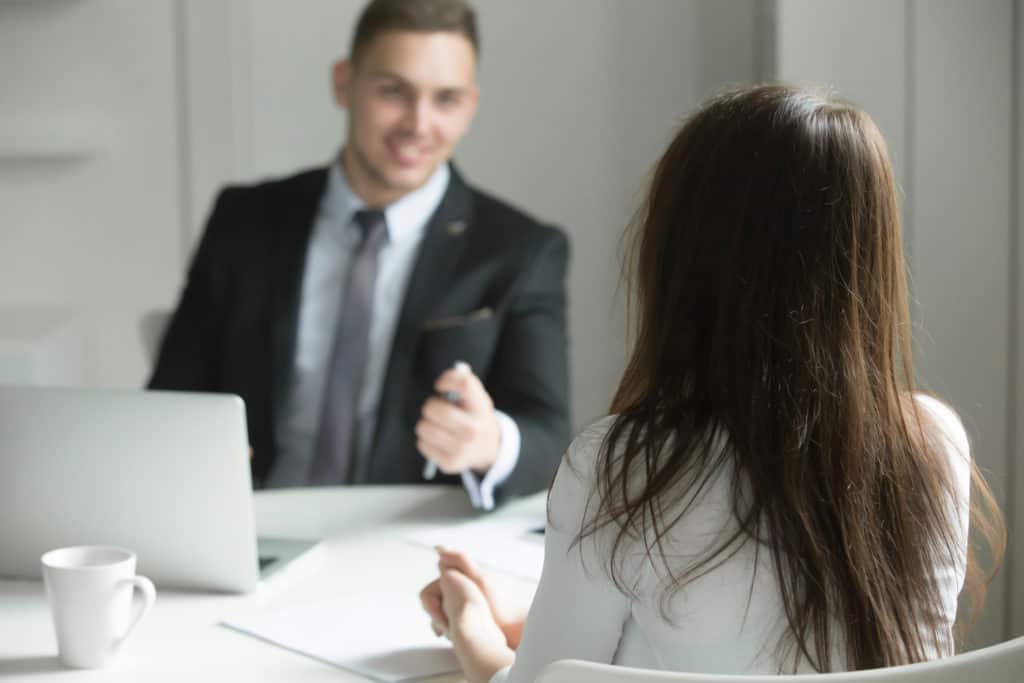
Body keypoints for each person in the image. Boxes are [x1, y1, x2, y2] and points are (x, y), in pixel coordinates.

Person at [419, 85, 1007, 680]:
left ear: (680, 259)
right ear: (868, 256)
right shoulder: (933, 444)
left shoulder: (624, 467)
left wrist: (473, 630)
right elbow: (774, 639)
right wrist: (526, 614)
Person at [148, 0, 570, 509]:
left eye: (446, 99)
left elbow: (547, 434)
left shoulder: (520, 249)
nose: (418, 123)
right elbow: (170, 401)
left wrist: (489, 443)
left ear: (470, 107)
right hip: (251, 523)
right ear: (344, 83)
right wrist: (190, 452)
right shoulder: (244, 220)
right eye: (394, 91)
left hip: (408, 546)